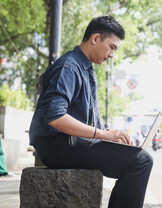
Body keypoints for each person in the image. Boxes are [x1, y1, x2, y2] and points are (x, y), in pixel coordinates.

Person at [29, 16, 153, 208]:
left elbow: (89, 121)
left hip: (69, 141)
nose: (112, 54)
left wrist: (111, 137)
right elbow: (55, 117)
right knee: (141, 161)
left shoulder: (85, 69)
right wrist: (103, 135)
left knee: (136, 157)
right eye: (112, 47)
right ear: (95, 39)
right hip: (55, 144)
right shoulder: (68, 67)